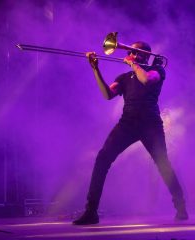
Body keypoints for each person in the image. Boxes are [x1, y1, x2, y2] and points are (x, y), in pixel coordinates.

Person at [73, 41, 188, 225]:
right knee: (102, 159)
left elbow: (146, 80)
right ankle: (91, 211)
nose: (132, 55)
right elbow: (107, 95)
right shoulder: (125, 77)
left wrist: (132, 64)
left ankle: (180, 206)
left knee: (163, 164)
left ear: (145, 55)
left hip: (150, 124)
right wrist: (96, 69)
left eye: (136, 52)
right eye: (131, 52)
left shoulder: (157, 70)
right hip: (128, 123)